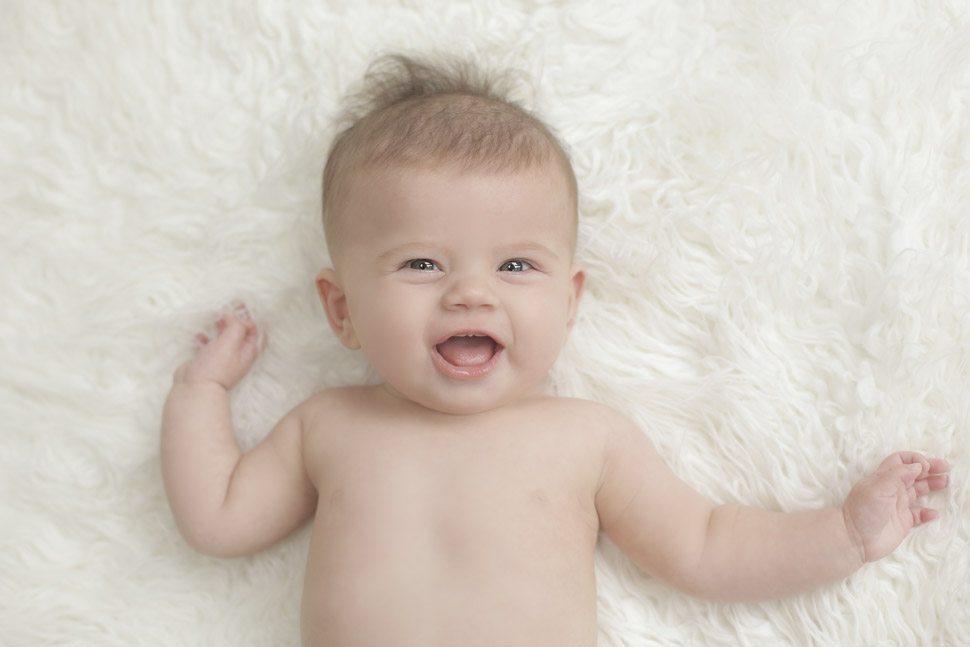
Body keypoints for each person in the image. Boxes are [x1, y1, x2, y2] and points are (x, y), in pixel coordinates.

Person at [160, 53, 950, 647]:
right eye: (421, 263)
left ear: (569, 302)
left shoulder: (586, 437)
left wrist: (844, 533)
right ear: (342, 310)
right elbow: (219, 517)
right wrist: (203, 391)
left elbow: (706, 543)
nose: (471, 294)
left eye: (515, 265)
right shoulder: (325, 425)